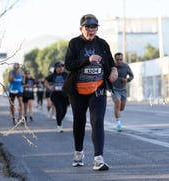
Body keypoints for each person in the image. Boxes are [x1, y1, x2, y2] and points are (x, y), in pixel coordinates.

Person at [63, 14, 118, 171]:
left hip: (98, 88)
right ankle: (78, 153)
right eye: (88, 27)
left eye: (94, 27)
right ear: (81, 28)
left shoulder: (102, 44)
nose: (91, 30)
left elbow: (111, 62)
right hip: (78, 90)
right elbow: (69, 65)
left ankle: (98, 159)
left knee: (97, 120)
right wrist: (88, 60)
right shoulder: (74, 43)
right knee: (79, 121)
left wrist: (113, 71)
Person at [111, 52, 134, 132]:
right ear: (115, 60)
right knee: (117, 103)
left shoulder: (126, 66)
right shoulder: (112, 67)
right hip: (114, 89)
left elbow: (131, 76)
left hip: (123, 90)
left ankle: (116, 110)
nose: (119, 61)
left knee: (121, 108)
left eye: (121, 59)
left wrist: (127, 80)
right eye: (117, 60)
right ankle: (119, 124)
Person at [45, 61, 69, 133]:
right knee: (59, 109)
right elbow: (45, 82)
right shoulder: (53, 75)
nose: (61, 68)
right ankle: (59, 126)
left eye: (62, 66)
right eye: (59, 67)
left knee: (64, 110)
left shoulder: (66, 75)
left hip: (65, 95)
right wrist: (49, 87)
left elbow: (71, 82)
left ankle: (59, 120)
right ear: (56, 68)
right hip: (55, 95)